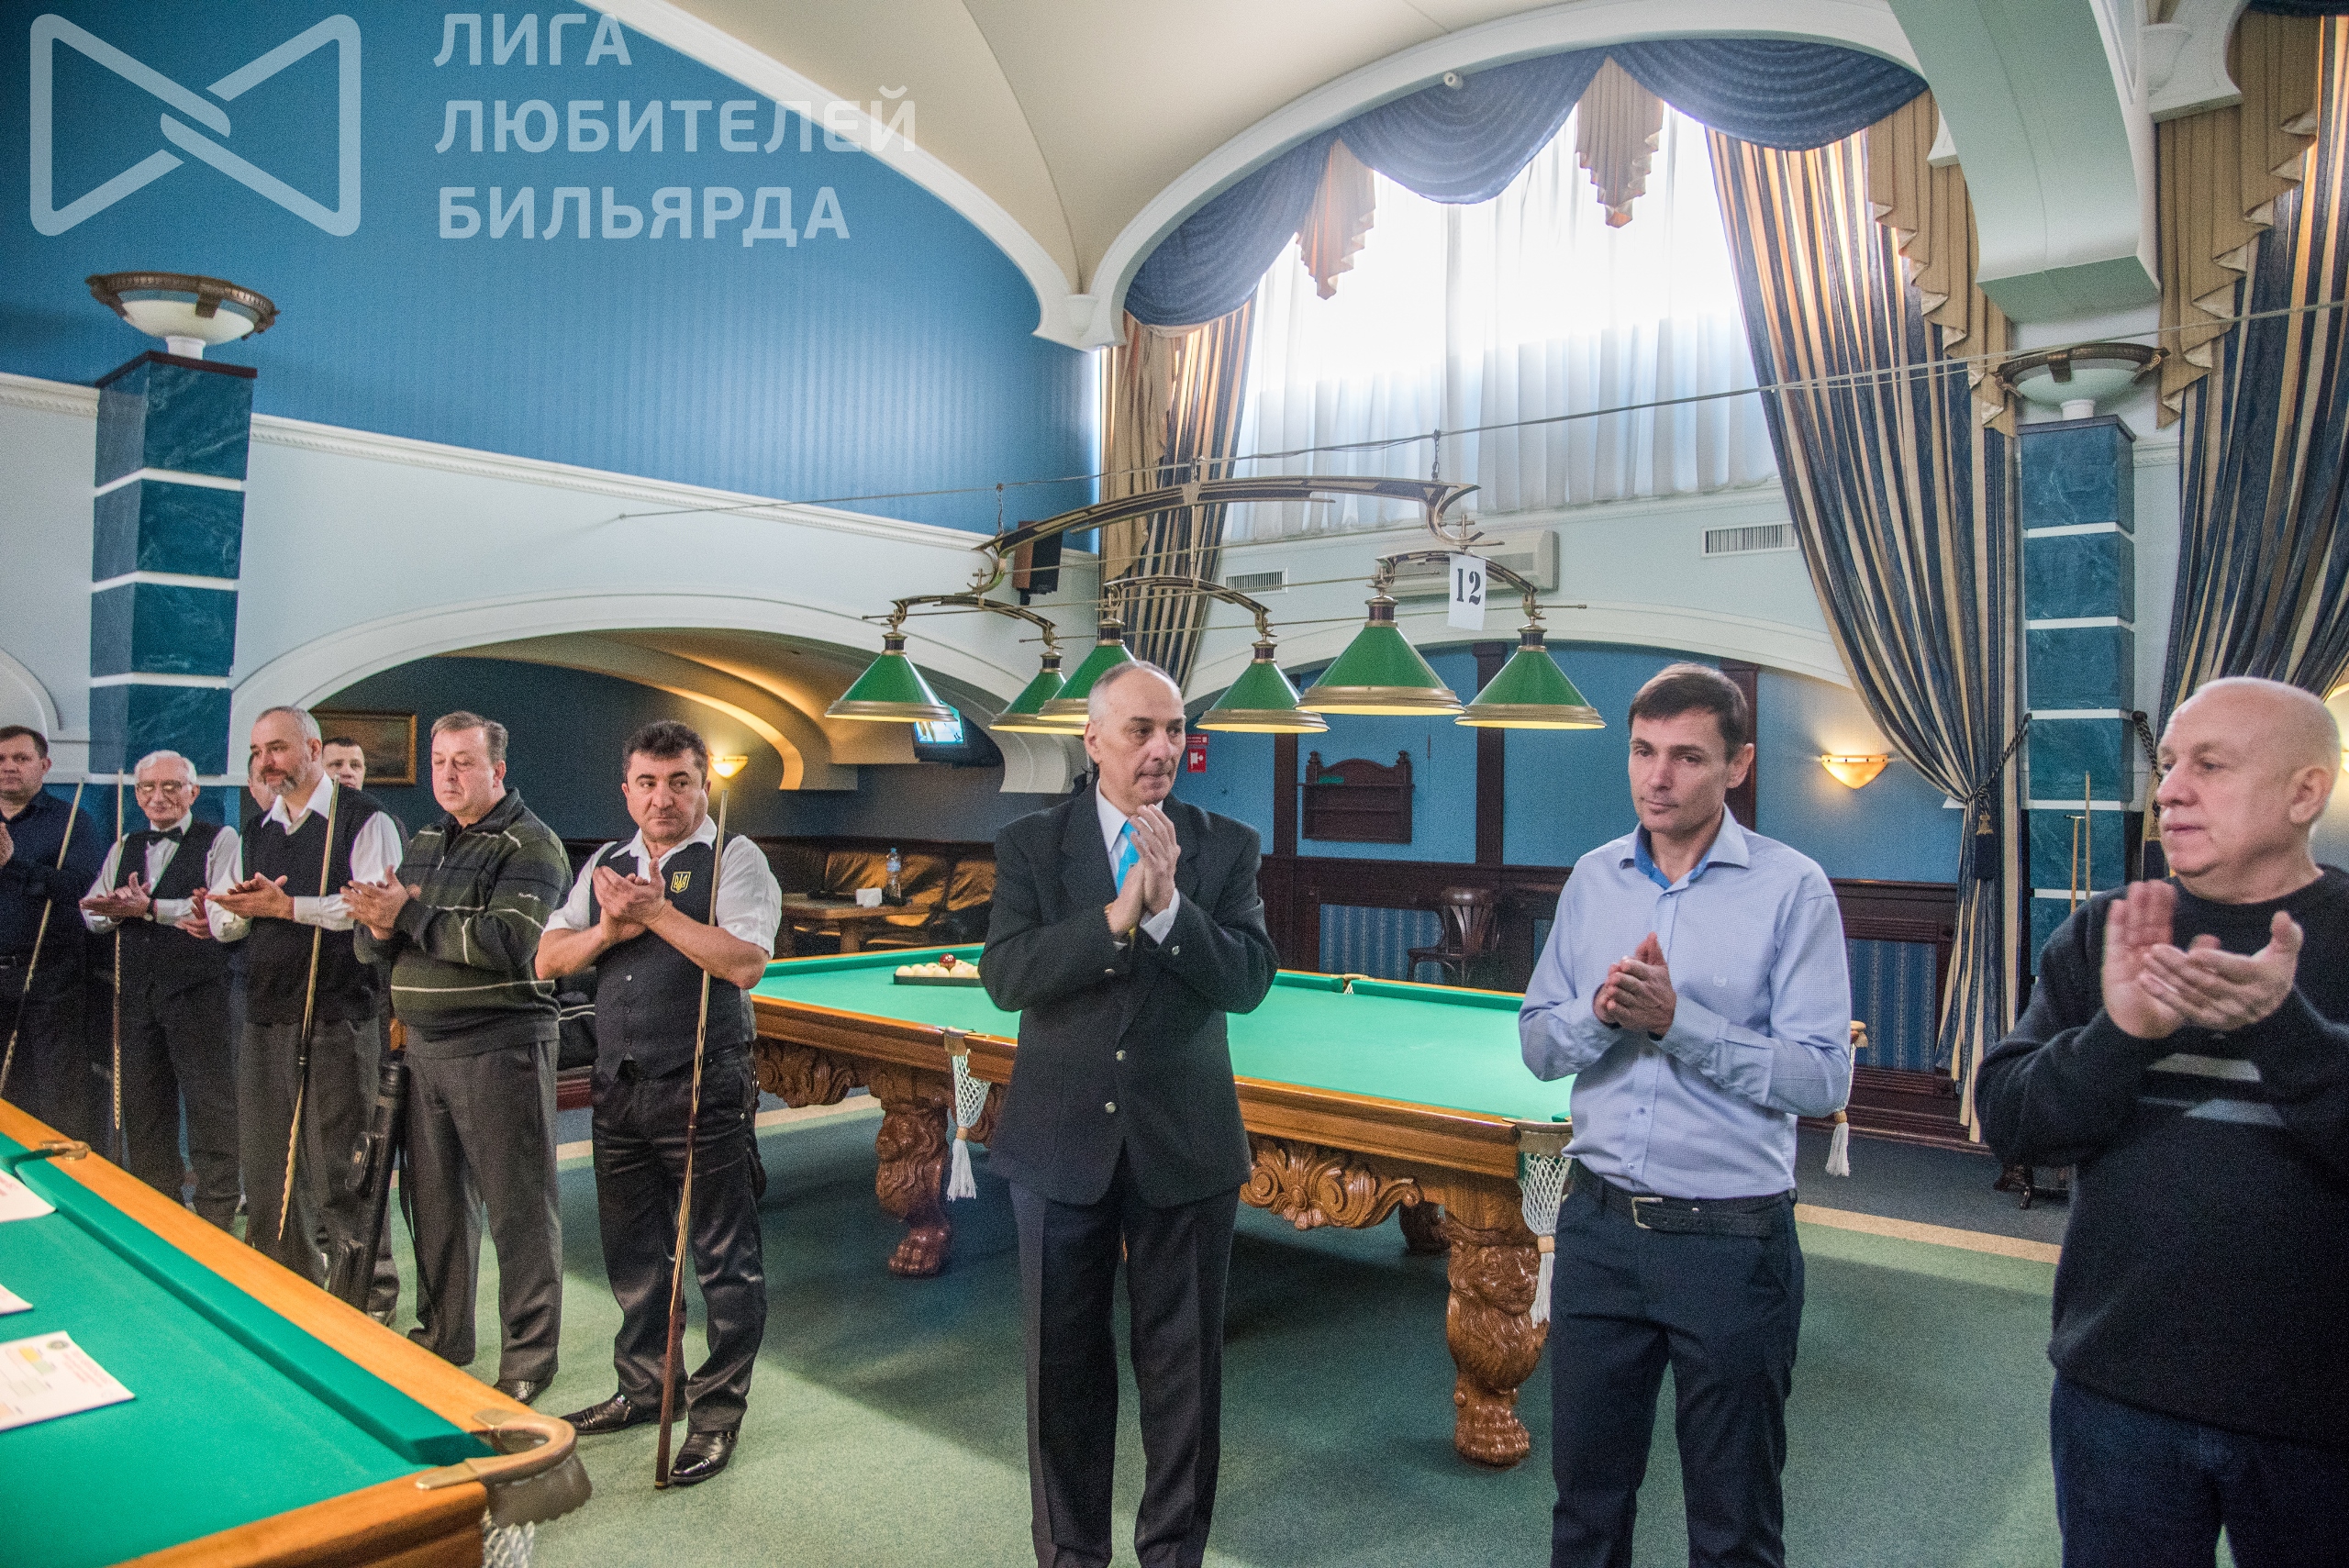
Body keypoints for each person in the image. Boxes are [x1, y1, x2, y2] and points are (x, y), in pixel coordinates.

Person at [1978, 676, 2349, 1568]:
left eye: (2209, 766)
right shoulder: (2107, 931)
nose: (2170, 788)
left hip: (2320, 1411)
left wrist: (2283, 1029)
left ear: (2305, 792)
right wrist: (2121, 1036)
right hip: (2118, 1389)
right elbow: (2014, 1125)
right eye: (2170, 763)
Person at [1520, 663, 1851, 1568]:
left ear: (1737, 764)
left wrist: (1678, 1023)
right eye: (1642, 751)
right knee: (1585, 1508)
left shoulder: (1793, 888)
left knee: (1733, 1524)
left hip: (1731, 1245)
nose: (1656, 777)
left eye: (1686, 756)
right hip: (1597, 1229)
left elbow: (1823, 1078)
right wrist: (1601, 1015)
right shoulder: (1593, 879)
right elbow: (1539, 1045)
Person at [981, 659, 1276, 1568]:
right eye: (1141, 729)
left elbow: (1248, 980)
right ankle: (1071, 1553)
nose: (1161, 747)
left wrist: (1170, 908)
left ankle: (1172, 1554)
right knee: (1061, 1371)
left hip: (1184, 1146)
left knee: (1184, 1376)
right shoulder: (1031, 845)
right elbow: (1006, 975)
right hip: (1057, 1144)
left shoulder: (1227, 845)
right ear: (1094, 738)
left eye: (1174, 728)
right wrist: (1116, 914)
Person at [540, 720, 780, 1486]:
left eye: (679, 781)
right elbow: (549, 957)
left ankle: (715, 1415)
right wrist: (609, 928)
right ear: (627, 791)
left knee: (724, 1260)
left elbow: (744, 963)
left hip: (704, 1082)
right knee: (636, 1255)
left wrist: (657, 915)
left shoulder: (734, 857)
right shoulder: (605, 863)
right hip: (619, 1087)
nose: (663, 797)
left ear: (702, 785)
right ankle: (647, 1388)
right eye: (647, 782)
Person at [349, 713, 570, 1405]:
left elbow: (505, 944)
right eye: (440, 761)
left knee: (518, 1211)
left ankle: (529, 1358)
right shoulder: (423, 840)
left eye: (463, 762)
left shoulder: (532, 844)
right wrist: (377, 926)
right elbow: (380, 948)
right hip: (423, 1048)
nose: (447, 774)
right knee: (434, 1207)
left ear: (497, 770)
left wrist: (408, 917)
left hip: (500, 1045)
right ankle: (444, 1336)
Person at [209, 706, 403, 1314]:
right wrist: (227, 913)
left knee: (343, 1164)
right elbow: (232, 918)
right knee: (268, 1165)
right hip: (267, 1010)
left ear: (313, 750)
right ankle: (286, 1281)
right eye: (258, 751)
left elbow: (370, 906)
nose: (266, 761)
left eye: (278, 748)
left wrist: (286, 906)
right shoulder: (257, 828)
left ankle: (366, 1292)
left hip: (338, 1013)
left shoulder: (365, 818)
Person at [78, 750, 241, 1225]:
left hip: (200, 994)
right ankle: (158, 1214)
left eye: (171, 786)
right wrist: (114, 907)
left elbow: (221, 910)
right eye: (148, 787)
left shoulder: (221, 839)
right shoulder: (124, 845)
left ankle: (216, 1213)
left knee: (211, 1105)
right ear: (136, 795)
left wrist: (150, 909)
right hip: (137, 998)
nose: (159, 796)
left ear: (193, 791)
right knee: (144, 1108)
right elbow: (92, 915)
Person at [0, 726, 104, 1138]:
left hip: (49, 977)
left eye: (21, 758)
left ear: (44, 766)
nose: (9, 767)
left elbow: (84, 891)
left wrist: (13, 865)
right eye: (1, 759)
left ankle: (60, 1174)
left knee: (57, 1093)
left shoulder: (71, 820)